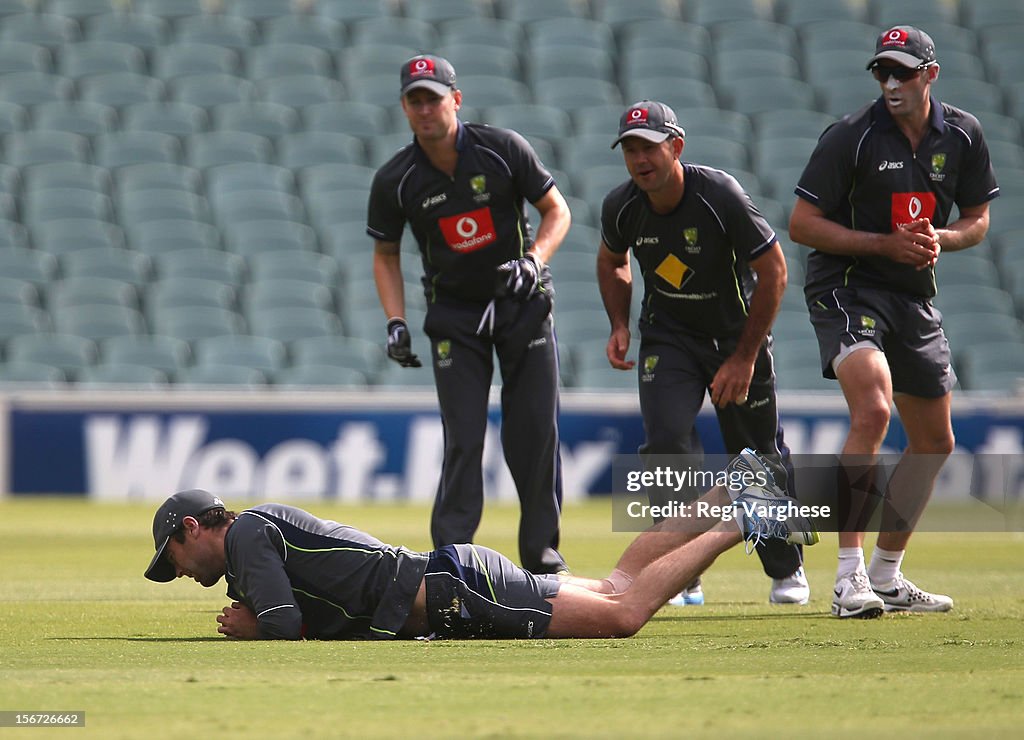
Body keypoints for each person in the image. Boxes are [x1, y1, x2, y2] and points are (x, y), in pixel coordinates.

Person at [144, 450, 820, 640]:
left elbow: (286, 623)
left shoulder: (250, 536)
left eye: (169, 560)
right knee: (616, 586)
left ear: (192, 529)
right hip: (454, 581)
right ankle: (736, 486)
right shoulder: (256, 537)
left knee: (623, 614)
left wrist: (253, 628)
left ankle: (742, 519)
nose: (173, 574)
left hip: (458, 593)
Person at [788, 26, 999, 618]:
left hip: (912, 295)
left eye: (902, 72)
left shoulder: (962, 134)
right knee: (875, 411)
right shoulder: (851, 137)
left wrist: (943, 239)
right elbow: (802, 223)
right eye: (882, 72)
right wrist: (883, 245)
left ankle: (886, 576)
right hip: (846, 286)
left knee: (935, 440)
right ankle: (846, 580)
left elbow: (978, 217)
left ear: (930, 74)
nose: (891, 83)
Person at [596, 100, 809, 606]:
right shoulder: (621, 205)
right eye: (630, 149)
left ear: (676, 147)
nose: (639, 158)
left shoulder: (720, 195)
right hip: (668, 338)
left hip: (736, 338)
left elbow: (775, 272)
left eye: (648, 146)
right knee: (666, 442)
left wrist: (743, 357)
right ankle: (679, 573)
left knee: (754, 455)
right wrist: (620, 324)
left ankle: (785, 568)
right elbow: (612, 261)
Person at [366, 55, 572, 574]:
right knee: (463, 436)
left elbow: (557, 210)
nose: (424, 109)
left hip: (522, 304)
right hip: (454, 317)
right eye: (414, 100)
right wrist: (396, 320)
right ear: (404, 107)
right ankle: (450, 561)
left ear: (455, 100)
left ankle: (543, 560)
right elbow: (385, 254)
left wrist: (535, 259)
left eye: (433, 98)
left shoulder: (503, 150)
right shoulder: (396, 179)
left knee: (533, 435)